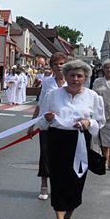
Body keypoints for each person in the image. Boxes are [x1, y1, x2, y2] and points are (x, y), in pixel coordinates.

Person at [35, 60, 105, 219]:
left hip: (80, 140)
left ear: (85, 78)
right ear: (65, 77)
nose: (75, 79)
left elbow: (100, 121)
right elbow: (41, 123)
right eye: (72, 75)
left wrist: (89, 123)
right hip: (58, 139)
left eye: (79, 76)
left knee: (77, 180)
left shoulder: (93, 97)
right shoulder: (52, 95)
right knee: (58, 179)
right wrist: (48, 118)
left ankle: (69, 215)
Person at [29, 52, 67, 200]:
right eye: (56, 64)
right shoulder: (47, 82)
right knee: (45, 154)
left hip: (64, 125)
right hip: (46, 124)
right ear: (51, 66)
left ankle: (59, 185)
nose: (59, 66)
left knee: (62, 156)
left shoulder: (70, 82)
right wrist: (32, 124)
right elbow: (40, 104)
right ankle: (44, 185)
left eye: (61, 63)